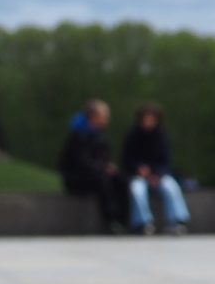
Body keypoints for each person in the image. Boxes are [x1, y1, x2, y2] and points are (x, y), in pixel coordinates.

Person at [122, 102, 191, 235]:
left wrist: (156, 174)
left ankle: (177, 221)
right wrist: (138, 169)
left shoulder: (161, 136)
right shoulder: (132, 136)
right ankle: (143, 223)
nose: (148, 121)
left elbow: (166, 161)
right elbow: (126, 160)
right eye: (145, 118)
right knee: (136, 190)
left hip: (159, 175)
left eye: (151, 118)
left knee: (171, 186)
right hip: (139, 176)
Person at [59, 99, 126, 232]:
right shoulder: (79, 135)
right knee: (103, 181)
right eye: (104, 116)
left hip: (95, 173)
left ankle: (123, 219)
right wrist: (102, 168)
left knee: (121, 179)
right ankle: (110, 221)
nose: (107, 119)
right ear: (94, 117)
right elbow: (81, 161)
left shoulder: (100, 135)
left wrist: (109, 166)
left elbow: (105, 157)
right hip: (77, 178)